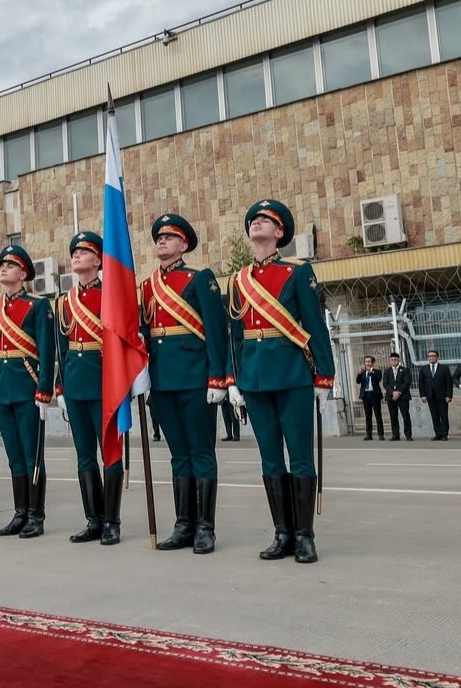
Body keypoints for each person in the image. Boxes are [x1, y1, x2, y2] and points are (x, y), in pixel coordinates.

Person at [228, 199, 334, 564]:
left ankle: (305, 536)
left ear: (279, 233)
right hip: (255, 378)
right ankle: (283, 534)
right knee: (270, 458)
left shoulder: (297, 272)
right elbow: (235, 335)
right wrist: (234, 380)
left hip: (292, 375)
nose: (257, 223)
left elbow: (315, 326)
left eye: (265, 220)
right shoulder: (239, 280)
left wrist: (324, 376)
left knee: (300, 457)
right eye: (253, 219)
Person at [140, 215, 229, 555]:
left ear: (183, 245)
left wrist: (218, 378)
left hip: (195, 377)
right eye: (159, 237)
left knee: (201, 453)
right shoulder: (148, 286)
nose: (161, 242)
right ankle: (183, 525)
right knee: (179, 456)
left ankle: (206, 528)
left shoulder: (199, 279)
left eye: (169, 237)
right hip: (163, 381)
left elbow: (216, 331)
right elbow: (147, 331)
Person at [0, 245, 55, 539]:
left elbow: (47, 352)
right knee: (14, 457)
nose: (3, 269)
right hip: (3, 390)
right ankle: (20, 512)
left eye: (10, 265)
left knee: (31, 456)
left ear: (23, 273)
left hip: (28, 388)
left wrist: (44, 391)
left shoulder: (37, 306)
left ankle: (36, 515)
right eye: (2, 264)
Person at [56, 232, 124, 545]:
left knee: (110, 453)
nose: (77, 256)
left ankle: (112, 521)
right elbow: (62, 348)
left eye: (84, 251)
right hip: (76, 383)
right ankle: (93, 519)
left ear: (98, 260)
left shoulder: (111, 293)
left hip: (104, 382)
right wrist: (60, 388)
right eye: (75, 252)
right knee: (84, 456)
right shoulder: (65, 300)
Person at [418, 350, 452, 441]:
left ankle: (445, 434)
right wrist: (423, 395)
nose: (431, 358)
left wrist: (449, 395)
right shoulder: (424, 369)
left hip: (442, 396)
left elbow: (449, 382)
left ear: (437, 357)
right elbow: (421, 383)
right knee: (434, 416)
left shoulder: (444, 368)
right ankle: (438, 434)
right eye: (429, 356)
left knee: (443, 415)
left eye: (433, 356)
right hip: (430, 396)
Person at [382, 352, 412, 441]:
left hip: (403, 396)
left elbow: (407, 383)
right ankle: (395, 435)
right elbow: (385, 384)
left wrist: (398, 392)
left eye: (395, 360)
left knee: (405, 415)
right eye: (392, 360)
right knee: (393, 416)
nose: (393, 361)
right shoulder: (387, 371)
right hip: (391, 397)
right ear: (390, 361)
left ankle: (408, 435)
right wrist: (392, 393)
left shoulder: (405, 370)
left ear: (399, 360)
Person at [355, 355, 384, 441]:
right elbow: (358, 381)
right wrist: (359, 373)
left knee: (378, 415)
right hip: (366, 395)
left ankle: (380, 434)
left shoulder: (377, 371)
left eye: (369, 361)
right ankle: (369, 434)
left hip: (374, 395)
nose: (367, 363)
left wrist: (370, 372)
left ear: (372, 363)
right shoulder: (363, 372)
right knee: (368, 416)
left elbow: (378, 379)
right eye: (366, 362)